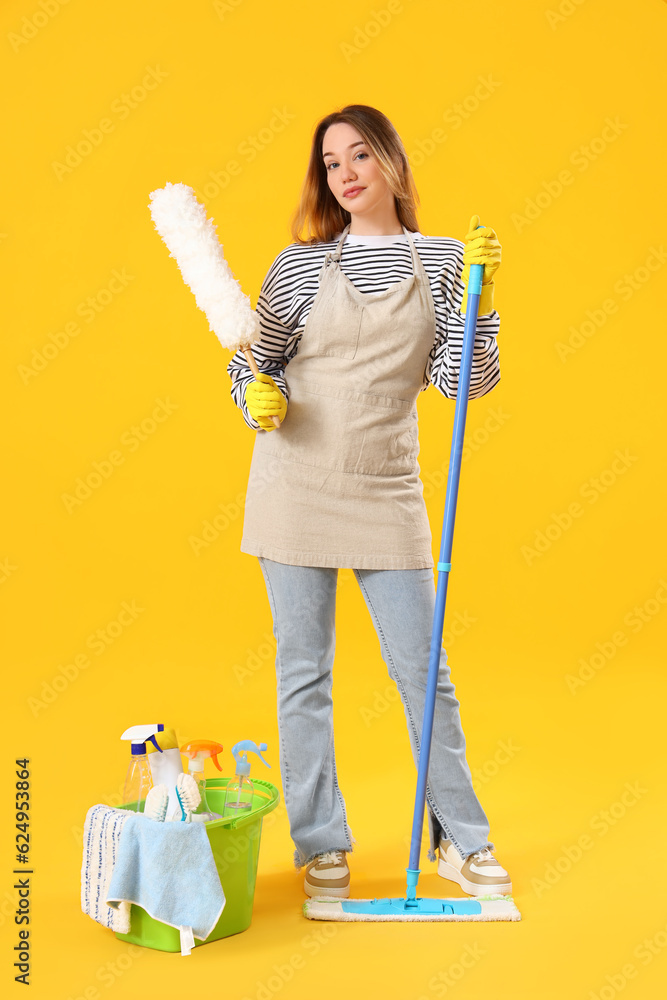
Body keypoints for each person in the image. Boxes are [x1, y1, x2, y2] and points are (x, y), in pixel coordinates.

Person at [227, 104, 511, 900]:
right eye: (331, 163)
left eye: (360, 155)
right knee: (303, 672)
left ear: (392, 160)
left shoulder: (449, 260)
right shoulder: (297, 266)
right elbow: (256, 363)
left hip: (386, 488)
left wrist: (483, 305)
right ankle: (321, 842)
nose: (346, 173)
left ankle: (459, 838)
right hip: (291, 487)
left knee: (425, 673)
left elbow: (463, 384)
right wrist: (252, 394)